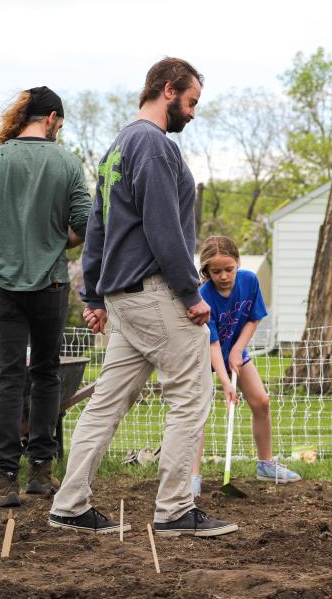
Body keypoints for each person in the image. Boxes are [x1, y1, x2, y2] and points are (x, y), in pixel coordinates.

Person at [49, 58, 236, 537]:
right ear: (169, 90)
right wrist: (191, 293)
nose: (193, 114)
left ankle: (69, 505)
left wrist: (94, 295)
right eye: (191, 102)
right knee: (192, 394)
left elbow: (96, 228)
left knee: (107, 402)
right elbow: (162, 229)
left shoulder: (117, 147)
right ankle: (175, 510)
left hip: (123, 299)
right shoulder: (152, 145)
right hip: (155, 294)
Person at [0, 86, 91, 508]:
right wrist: (56, 241)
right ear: (50, 118)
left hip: (3, 285)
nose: (58, 130)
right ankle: (41, 474)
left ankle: (2, 481)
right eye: (59, 124)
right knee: (47, 375)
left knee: (8, 379)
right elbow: (86, 224)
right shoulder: (67, 162)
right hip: (51, 285)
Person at [191, 235, 300, 497]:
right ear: (206, 271)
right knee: (197, 415)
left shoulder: (249, 281)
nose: (224, 276)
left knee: (261, 402)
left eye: (229, 269)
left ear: (238, 263)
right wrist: (227, 384)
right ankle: (192, 476)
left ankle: (265, 464)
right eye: (216, 271)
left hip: (235, 349)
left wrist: (238, 350)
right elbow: (212, 344)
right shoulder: (204, 296)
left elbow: (253, 318)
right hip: (204, 356)